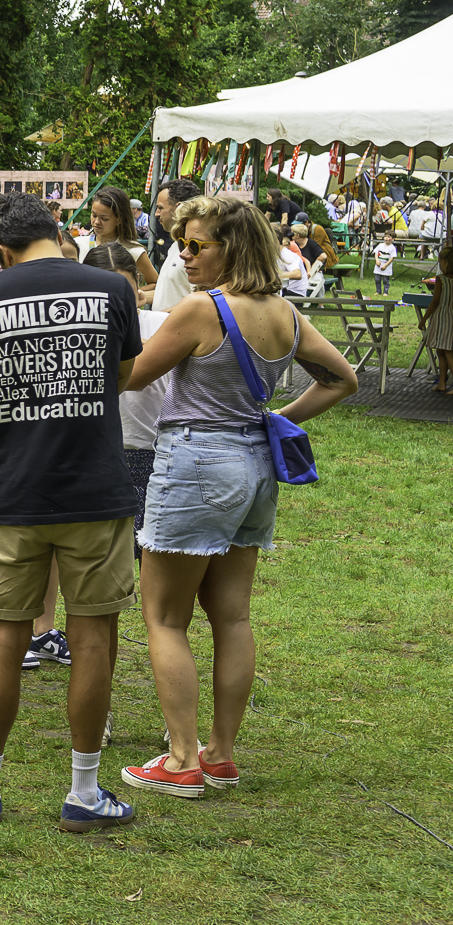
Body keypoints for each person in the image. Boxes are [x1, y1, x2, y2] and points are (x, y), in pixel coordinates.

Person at [119, 196, 359, 798]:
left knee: (164, 617)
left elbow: (130, 378)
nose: (183, 254)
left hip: (196, 460)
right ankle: (220, 753)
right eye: (182, 243)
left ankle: (181, 761)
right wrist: (279, 418)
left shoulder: (202, 309)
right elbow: (342, 379)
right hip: (253, 465)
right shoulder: (283, 312)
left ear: (234, 246)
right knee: (233, 616)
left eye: (197, 244)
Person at [0, 190, 143, 831]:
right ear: (56, 229)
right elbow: (125, 376)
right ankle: (84, 793)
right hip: (96, 491)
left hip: (15, 493)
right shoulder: (112, 290)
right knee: (91, 638)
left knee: (3, 636)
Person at [82, 243, 166, 549]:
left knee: (152, 561)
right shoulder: (73, 337)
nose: (113, 302)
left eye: (123, 291)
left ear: (140, 292)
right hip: (93, 457)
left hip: (152, 456)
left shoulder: (163, 328)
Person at [87, 186, 159, 290]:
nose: (97, 221)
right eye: (94, 215)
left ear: (119, 220)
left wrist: (129, 294)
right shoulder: (78, 244)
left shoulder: (134, 251)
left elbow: (156, 284)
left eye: (104, 218)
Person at [150, 177, 204, 312]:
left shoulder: (198, 250)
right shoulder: (176, 245)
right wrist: (144, 297)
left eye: (160, 208)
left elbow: (201, 303)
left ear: (179, 208)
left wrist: (155, 317)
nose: (156, 214)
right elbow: (173, 292)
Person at [422, 242, 453, 393]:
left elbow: (435, 302)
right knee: (441, 350)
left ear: (445, 262)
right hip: (450, 317)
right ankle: (442, 383)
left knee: (447, 351)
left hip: (443, 318)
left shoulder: (441, 279)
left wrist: (424, 319)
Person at [372, 231, 398, 295]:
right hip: (378, 266)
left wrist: (386, 265)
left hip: (386, 267)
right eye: (385, 236)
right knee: (377, 279)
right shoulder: (380, 245)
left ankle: (385, 292)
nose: (386, 238)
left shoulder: (392, 248)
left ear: (393, 239)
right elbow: (376, 253)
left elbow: (392, 258)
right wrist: (377, 260)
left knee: (385, 280)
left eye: (388, 237)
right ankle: (378, 291)